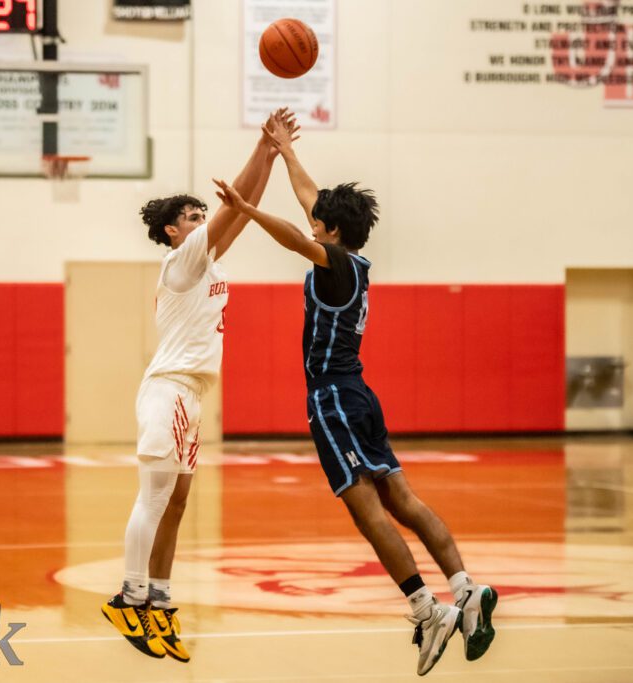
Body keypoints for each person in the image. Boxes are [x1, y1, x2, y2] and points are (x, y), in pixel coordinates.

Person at [212, 116, 497, 677]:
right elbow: (311, 202)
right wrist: (286, 152)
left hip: (334, 399)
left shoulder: (334, 262)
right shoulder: (353, 259)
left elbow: (297, 235)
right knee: (403, 500)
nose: (311, 221)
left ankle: (427, 610)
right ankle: (466, 589)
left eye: (318, 222)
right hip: (360, 393)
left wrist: (245, 210)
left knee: (367, 512)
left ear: (332, 231)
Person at [102, 110, 295, 663]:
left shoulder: (206, 262)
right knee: (154, 497)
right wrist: (261, 149)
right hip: (168, 390)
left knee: (178, 502)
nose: (203, 219)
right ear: (172, 230)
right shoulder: (180, 263)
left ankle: (160, 603)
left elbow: (240, 211)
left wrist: (270, 155)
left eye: (201, 214)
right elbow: (236, 206)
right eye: (192, 216)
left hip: (191, 396)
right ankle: (128, 598)